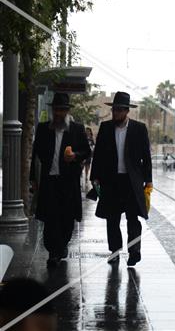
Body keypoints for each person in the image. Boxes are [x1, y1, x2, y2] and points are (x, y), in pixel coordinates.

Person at [91, 92, 153, 266]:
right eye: (114, 110)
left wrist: (148, 180)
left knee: (133, 219)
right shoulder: (105, 128)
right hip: (111, 181)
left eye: (119, 110)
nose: (115, 113)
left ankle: (134, 251)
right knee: (112, 219)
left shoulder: (139, 129)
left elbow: (146, 157)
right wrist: (94, 177)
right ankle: (115, 251)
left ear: (126, 111)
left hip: (131, 182)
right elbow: (98, 155)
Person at [29, 93, 90, 267]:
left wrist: (75, 156)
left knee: (66, 219)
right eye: (56, 109)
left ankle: (62, 245)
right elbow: (35, 155)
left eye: (62, 110)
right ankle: (53, 252)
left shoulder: (77, 129)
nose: (59, 113)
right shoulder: (43, 129)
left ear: (67, 111)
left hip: (68, 182)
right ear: (52, 110)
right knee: (50, 218)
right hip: (49, 181)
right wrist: (33, 178)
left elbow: (86, 152)